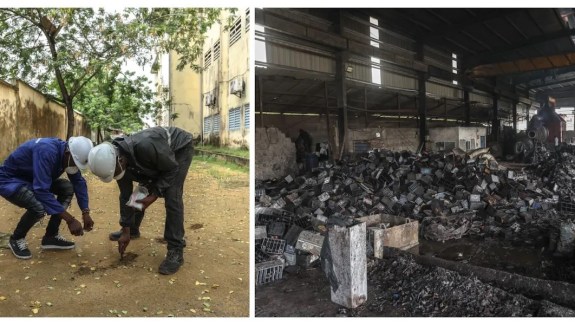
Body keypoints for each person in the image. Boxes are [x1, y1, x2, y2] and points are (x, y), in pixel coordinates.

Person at [88, 126, 194, 275]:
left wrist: (154, 194)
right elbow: (126, 195)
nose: (117, 176)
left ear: (121, 160)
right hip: (158, 156)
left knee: (172, 196)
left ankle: (176, 249)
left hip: (180, 149)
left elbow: (171, 169)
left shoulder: (146, 145)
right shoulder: (115, 162)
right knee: (139, 193)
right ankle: (133, 229)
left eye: (115, 173)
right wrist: (126, 229)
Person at [0, 136, 94, 259]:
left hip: (32, 180)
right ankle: (16, 238)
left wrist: (85, 212)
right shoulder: (46, 151)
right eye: (75, 163)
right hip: (10, 181)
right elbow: (41, 191)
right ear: (68, 153)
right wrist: (70, 220)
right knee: (38, 207)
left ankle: (51, 236)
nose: (74, 167)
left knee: (67, 188)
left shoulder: (68, 155)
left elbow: (78, 182)